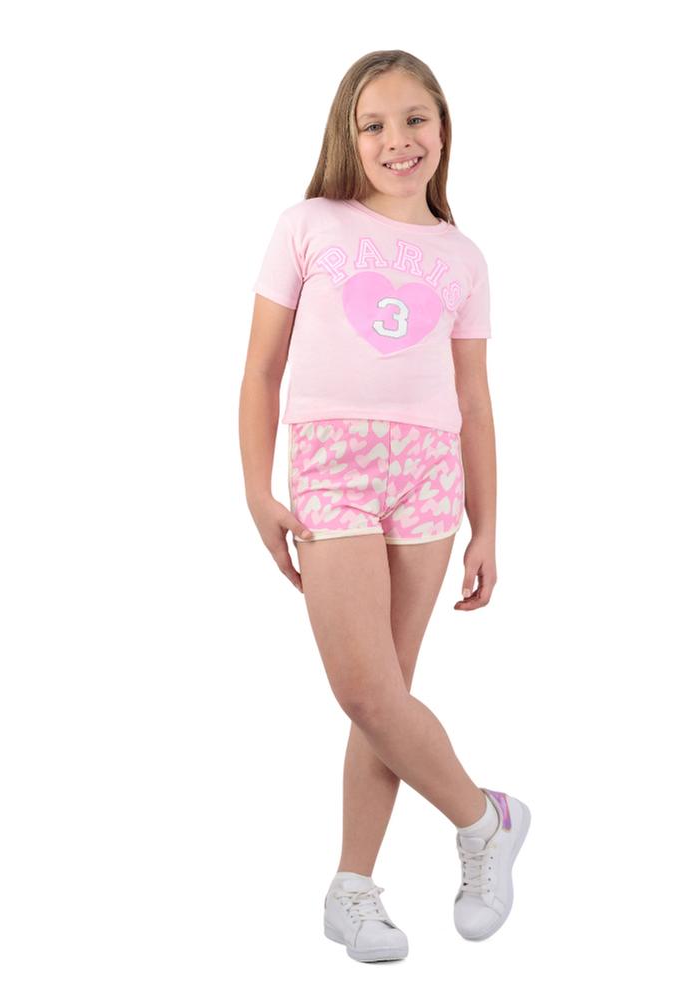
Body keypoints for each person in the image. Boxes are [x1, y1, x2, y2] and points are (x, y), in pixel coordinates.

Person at [239, 50, 530, 962]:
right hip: (332, 464)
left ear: (443, 129)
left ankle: (351, 891)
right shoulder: (308, 225)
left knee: (384, 699)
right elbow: (261, 370)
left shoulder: (464, 257)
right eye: (374, 124)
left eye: (415, 119)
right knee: (365, 688)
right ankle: (485, 819)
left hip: (429, 472)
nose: (397, 140)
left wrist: (489, 522)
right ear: (348, 135)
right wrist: (256, 487)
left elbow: (475, 397)